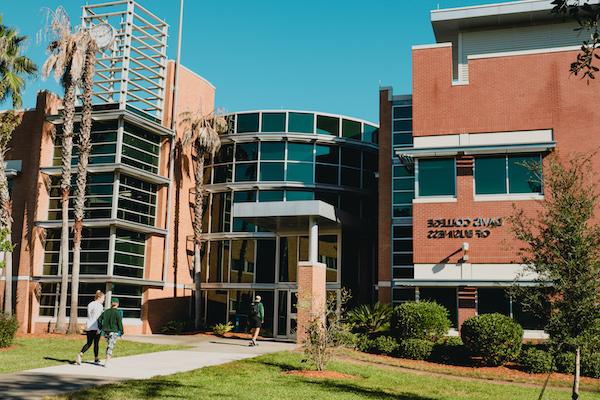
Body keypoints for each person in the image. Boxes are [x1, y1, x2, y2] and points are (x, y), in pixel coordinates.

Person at [76, 290, 104, 365]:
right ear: (99, 297)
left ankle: (81, 354)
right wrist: (99, 328)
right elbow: (98, 318)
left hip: (89, 325)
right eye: (103, 298)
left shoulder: (90, 304)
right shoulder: (100, 306)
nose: (103, 300)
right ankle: (96, 358)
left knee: (89, 343)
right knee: (96, 343)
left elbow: (90, 315)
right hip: (95, 326)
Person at [98, 297, 124, 367]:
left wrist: (101, 327)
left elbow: (99, 319)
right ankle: (107, 361)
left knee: (109, 345)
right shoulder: (118, 312)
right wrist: (121, 332)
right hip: (114, 331)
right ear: (117, 304)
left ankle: (108, 359)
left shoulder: (106, 311)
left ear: (111, 303)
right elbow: (119, 323)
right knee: (111, 346)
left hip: (106, 331)